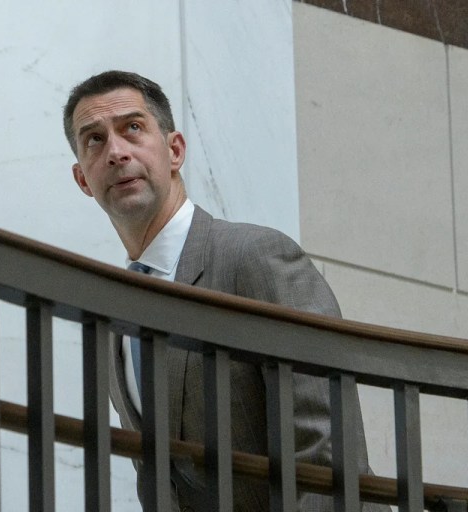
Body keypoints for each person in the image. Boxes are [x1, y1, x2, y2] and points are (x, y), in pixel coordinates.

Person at [63, 70, 381, 511]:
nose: (116, 152)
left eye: (132, 128)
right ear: (83, 179)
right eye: (94, 140)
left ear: (174, 151)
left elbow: (326, 449)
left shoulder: (256, 256)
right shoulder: (117, 311)